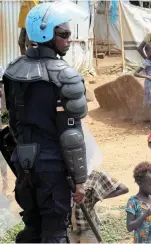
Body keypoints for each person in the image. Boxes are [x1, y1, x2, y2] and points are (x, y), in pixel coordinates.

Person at [1, 2, 89, 242]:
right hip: (52, 167)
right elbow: (71, 136)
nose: (69, 40)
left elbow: (14, 122)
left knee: (32, 226)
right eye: (64, 34)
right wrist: (80, 181)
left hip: (23, 162)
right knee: (55, 231)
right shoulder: (65, 75)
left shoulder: (12, 71)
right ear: (47, 34)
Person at [70, 170, 129, 243]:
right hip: (69, 228)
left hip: (88, 228)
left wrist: (97, 198)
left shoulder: (95, 174)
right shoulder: (63, 174)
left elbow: (123, 189)